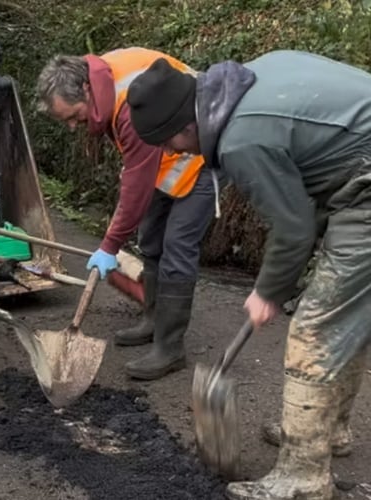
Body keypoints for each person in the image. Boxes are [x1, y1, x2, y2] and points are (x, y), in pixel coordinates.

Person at [127, 51, 371, 500]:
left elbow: (294, 227)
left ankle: (303, 477)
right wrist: (283, 275)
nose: (170, 153)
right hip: (355, 179)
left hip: (366, 185)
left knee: (317, 327)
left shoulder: (242, 140)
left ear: (186, 126)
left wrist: (267, 292)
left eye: (168, 143)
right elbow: (311, 186)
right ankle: (325, 431)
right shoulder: (252, 78)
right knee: (346, 319)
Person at [36, 49, 216, 381]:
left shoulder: (132, 104)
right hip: (166, 161)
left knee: (177, 245)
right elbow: (138, 172)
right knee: (151, 239)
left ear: (86, 91)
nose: (75, 127)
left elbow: (137, 182)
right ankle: (154, 319)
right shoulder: (102, 79)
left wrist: (109, 245)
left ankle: (170, 348)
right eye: (67, 122)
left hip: (200, 155)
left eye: (74, 116)